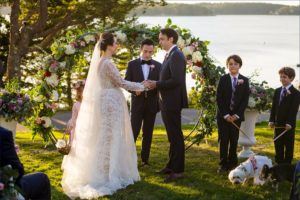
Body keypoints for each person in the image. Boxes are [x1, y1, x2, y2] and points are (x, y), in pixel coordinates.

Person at [61, 32, 146, 199]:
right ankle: (108, 173)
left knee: (106, 136)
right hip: (110, 103)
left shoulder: (100, 62)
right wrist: (142, 86)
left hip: (106, 101)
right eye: (115, 43)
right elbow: (120, 83)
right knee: (111, 136)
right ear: (108, 45)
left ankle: (106, 169)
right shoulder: (107, 63)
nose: (117, 46)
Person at [144, 28, 188, 182]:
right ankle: (170, 165)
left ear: (171, 39)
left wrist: (156, 84)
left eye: (162, 39)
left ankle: (178, 170)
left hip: (173, 102)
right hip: (166, 101)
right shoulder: (169, 54)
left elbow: (176, 80)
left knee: (176, 136)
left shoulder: (177, 55)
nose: (160, 41)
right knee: (171, 136)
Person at [125, 39, 162, 166]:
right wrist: (135, 90)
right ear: (140, 49)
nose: (147, 54)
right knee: (133, 132)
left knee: (148, 133)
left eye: (150, 52)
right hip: (136, 104)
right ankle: (129, 159)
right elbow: (125, 84)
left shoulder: (158, 65)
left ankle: (145, 160)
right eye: (145, 51)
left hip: (152, 104)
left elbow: (161, 85)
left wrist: (154, 86)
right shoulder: (132, 64)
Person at [216, 55, 249, 173]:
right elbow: (219, 98)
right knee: (223, 140)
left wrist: (237, 115)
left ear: (239, 65)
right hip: (223, 117)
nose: (233, 66)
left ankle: (232, 162)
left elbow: (245, 100)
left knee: (234, 139)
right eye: (230, 64)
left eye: (235, 64)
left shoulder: (244, 80)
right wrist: (225, 115)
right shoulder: (223, 79)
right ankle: (223, 163)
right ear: (227, 66)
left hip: (236, 117)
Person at [0, 126, 51, 200]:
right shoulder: (3, 134)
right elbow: (17, 170)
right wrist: (12, 154)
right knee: (42, 179)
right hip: (5, 192)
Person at [269, 67, 300, 164]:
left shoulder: (296, 93)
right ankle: (279, 163)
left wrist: (289, 123)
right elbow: (274, 107)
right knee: (278, 143)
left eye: (285, 77)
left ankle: (287, 164)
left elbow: (293, 110)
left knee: (288, 144)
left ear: (291, 78)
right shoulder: (277, 91)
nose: (282, 79)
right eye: (281, 77)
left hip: (288, 126)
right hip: (278, 124)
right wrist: (271, 120)